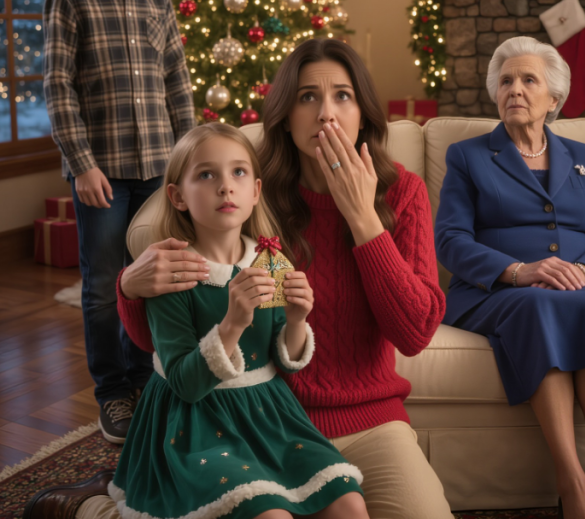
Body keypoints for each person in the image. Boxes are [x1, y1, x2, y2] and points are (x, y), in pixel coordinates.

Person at [30, 40, 452, 519]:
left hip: (371, 422)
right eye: (307, 97)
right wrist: (129, 287)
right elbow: (162, 338)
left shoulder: (402, 192)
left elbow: (414, 333)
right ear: (285, 115)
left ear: (364, 113)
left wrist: (362, 218)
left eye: (343, 96)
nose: (326, 113)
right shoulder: (249, 192)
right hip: (258, 419)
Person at [435, 37, 585, 519]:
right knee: (539, 301)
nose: (515, 89)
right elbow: (450, 240)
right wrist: (518, 271)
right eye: (506, 81)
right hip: (497, 292)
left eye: (529, 80)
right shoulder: (467, 156)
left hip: (579, 286)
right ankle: (572, 482)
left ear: (554, 99)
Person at [115, 123, 366, 518]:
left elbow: (285, 361)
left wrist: (297, 320)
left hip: (269, 417)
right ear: (178, 196)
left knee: (349, 503)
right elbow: (184, 384)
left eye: (238, 172)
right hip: (194, 427)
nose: (225, 187)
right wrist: (232, 323)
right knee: (270, 514)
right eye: (206, 175)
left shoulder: (270, 261)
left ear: (256, 191)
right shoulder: (172, 276)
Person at [42, 0, 195, 444]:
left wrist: (189, 159)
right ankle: (113, 392)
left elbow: (176, 81)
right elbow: (58, 87)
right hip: (101, 174)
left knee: (155, 276)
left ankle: (146, 378)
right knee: (105, 283)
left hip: (159, 169)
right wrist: (81, 163)